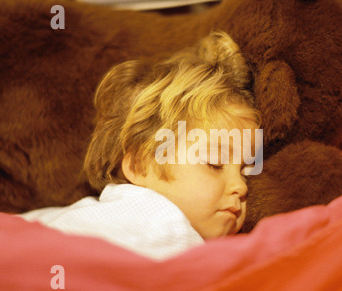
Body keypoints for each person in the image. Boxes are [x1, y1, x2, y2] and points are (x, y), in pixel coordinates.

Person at [20, 31, 261, 260]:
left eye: (246, 172)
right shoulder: (160, 226)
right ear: (140, 165)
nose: (240, 187)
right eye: (214, 163)